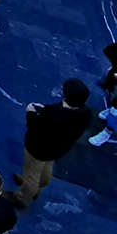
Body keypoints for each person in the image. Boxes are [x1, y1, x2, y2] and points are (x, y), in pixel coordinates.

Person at [8, 78, 92, 208]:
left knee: (32, 173)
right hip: (58, 149)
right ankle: (38, 188)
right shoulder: (85, 114)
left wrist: (30, 112)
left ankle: (22, 197)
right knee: (46, 167)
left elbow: (35, 125)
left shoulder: (54, 116)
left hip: (39, 148)